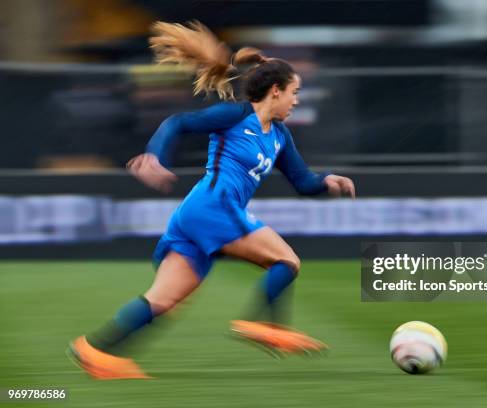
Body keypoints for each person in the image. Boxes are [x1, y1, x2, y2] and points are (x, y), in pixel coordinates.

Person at [68, 21, 356, 379]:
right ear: (276, 91)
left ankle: (96, 351)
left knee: (163, 301)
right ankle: (261, 323)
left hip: (200, 214)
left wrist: (326, 181)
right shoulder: (237, 115)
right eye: (294, 92)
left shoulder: (279, 136)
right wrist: (155, 156)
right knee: (286, 260)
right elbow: (178, 122)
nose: (297, 100)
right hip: (213, 207)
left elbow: (302, 182)